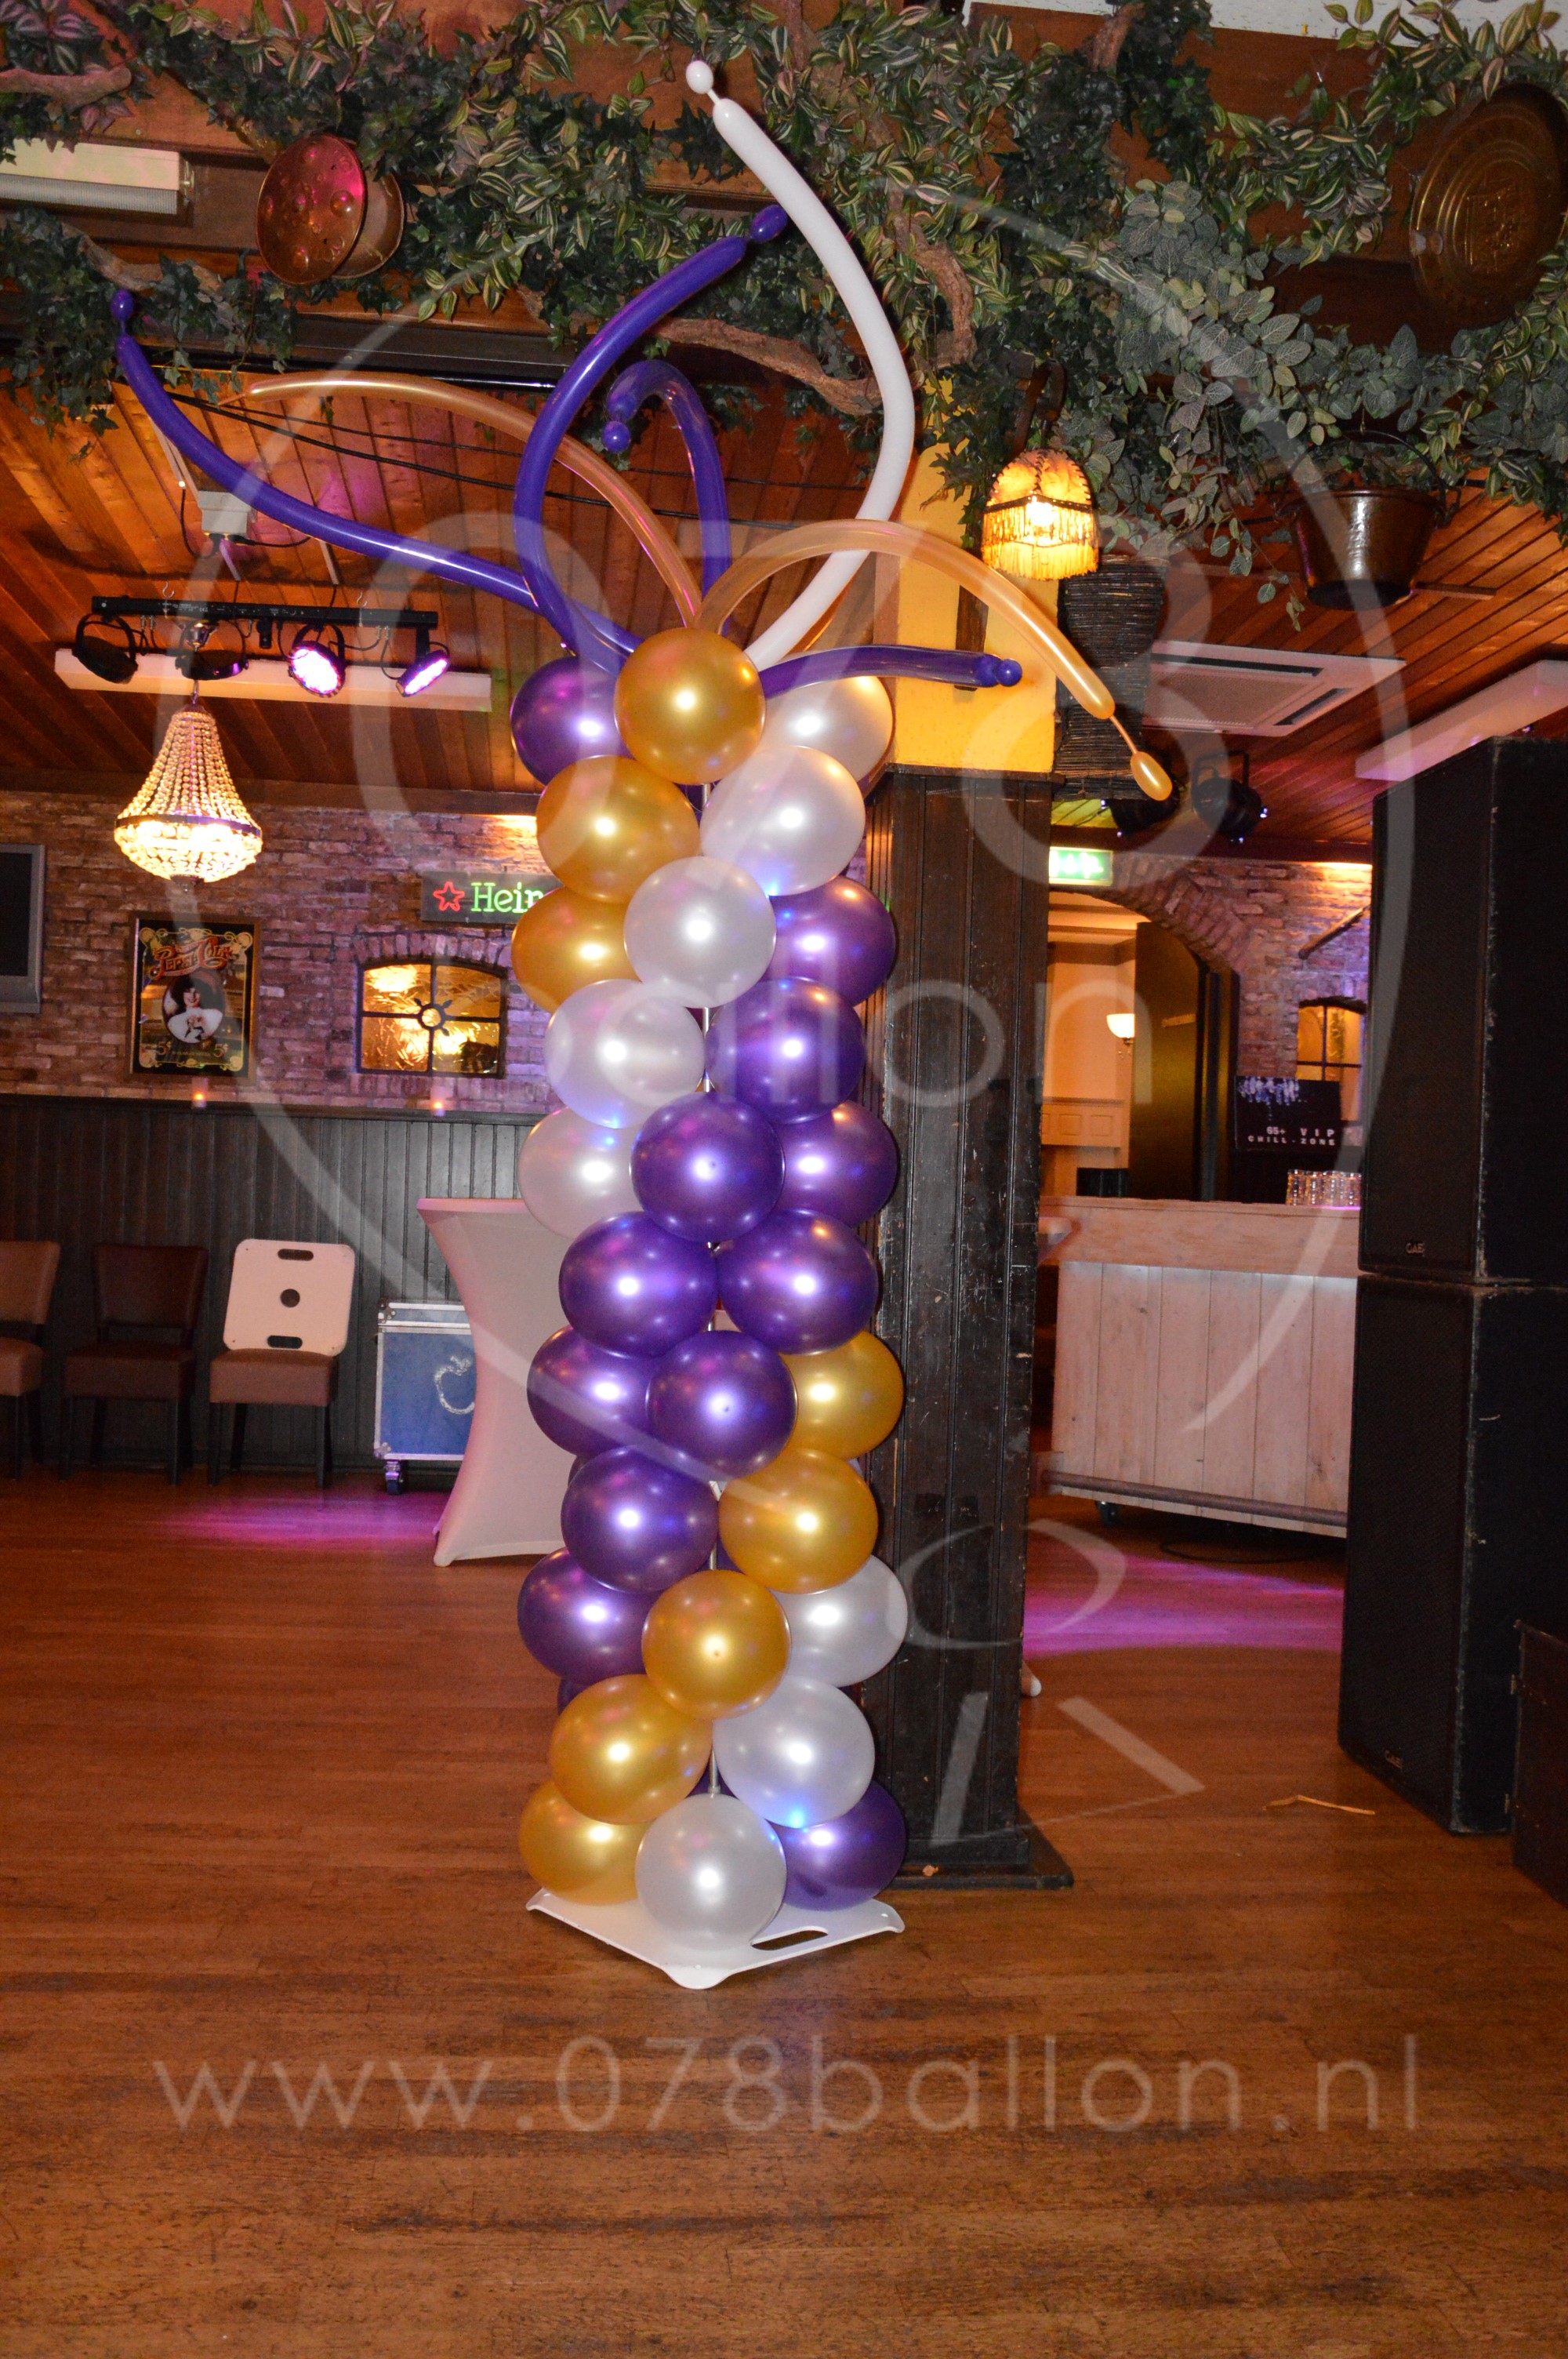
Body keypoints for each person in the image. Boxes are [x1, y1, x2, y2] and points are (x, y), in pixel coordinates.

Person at [162, 972, 226, 1045]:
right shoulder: (174, 1021)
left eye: (197, 992)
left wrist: (201, 1027)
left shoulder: (214, 1015)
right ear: (181, 993)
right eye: (188, 991)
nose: (192, 996)